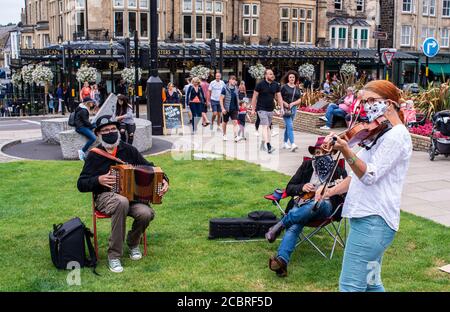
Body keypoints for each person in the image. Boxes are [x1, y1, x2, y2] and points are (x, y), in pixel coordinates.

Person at [318, 80, 412, 292]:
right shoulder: (381, 133)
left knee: (350, 286)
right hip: (368, 220)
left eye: (371, 101)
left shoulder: (397, 136)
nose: (367, 106)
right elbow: (356, 176)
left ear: (388, 104)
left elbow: (369, 175)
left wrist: (346, 151)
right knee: (371, 284)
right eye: (364, 101)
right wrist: (328, 191)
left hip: (374, 221)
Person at [77, 115, 169, 273]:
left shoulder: (128, 150)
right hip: (105, 198)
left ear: (118, 130)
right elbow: (81, 183)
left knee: (146, 213)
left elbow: (150, 167)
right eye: (105, 130)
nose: (110, 132)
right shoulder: (94, 155)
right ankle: (114, 256)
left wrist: (165, 179)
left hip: (132, 198)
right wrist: (98, 179)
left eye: (112, 128)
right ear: (98, 134)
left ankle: (133, 242)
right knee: (121, 202)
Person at [265, 136, 347, 277]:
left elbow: (345, 194)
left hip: (325, 208)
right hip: (302, 204)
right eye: (316, 152)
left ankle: (280, 225)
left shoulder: (338, 171)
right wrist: (302, 187)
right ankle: (282, 262)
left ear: (332, 153)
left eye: (322, 152)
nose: (319, 155)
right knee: (296, 224)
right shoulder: (307, 166)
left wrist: (329, 192)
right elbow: (290, 187)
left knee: (318, 202)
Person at [251, 69, 284, 154]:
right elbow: (254, 97)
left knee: (268, 127)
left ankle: (263, 145)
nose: (272, 75)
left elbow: (279, 97)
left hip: (270, 109)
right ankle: (269, 145)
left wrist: (282, 108)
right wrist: (253, 109)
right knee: (265, 126)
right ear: (265, 75)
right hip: (261, 109)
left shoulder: (276, 85)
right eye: (270, 74)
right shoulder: (260, 84)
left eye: (272, 74)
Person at [280, 70, 302, 152]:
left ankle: (285, 142)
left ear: (295, 78)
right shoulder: (284, 87)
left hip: (294, 109)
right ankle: (292, 143)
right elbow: (278, 97)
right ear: (288, 78)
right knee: (290, 125)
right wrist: (284, 103)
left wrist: (293, 103)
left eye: (293, 77)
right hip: (286, 109)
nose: (292, 78)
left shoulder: (297, 88)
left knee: (288, 126)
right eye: (290, 77)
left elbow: (299, 99)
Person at [219, 75, 240, 142]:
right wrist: (222, 108)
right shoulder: (224, 88)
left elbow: (237, 98)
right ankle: (224, 135)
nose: (234, 81)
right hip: (226, 108)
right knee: (225, 122)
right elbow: (221, 99)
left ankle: (235, 136)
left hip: (234, 108)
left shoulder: (236, 88)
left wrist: (238, 106)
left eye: (235, 80)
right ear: (229, 80)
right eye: (233, 79)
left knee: (235, 122)